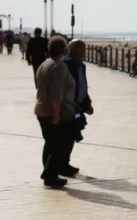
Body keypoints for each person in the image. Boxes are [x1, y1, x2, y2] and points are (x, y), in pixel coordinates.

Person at [34, 36, 76, 188]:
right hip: (52, 111)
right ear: (64, 50)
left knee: (50, 143)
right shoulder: (59, 66)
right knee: (59, 144)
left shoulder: (44, 64)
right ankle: (50, 175)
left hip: (41, 109)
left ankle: (49, 172)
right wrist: (57, 113)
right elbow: (57, 92)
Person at [62, 39, 93, 174]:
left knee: (73, 134)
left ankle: (65, 163)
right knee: (67, 136)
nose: (85, 52)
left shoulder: (81, 65)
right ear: (74, 50)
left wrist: (88, 103)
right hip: (68, 106)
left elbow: (83, 85)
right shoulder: (66, 64)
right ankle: (61, 165)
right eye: (83, 49)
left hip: (78, 106)